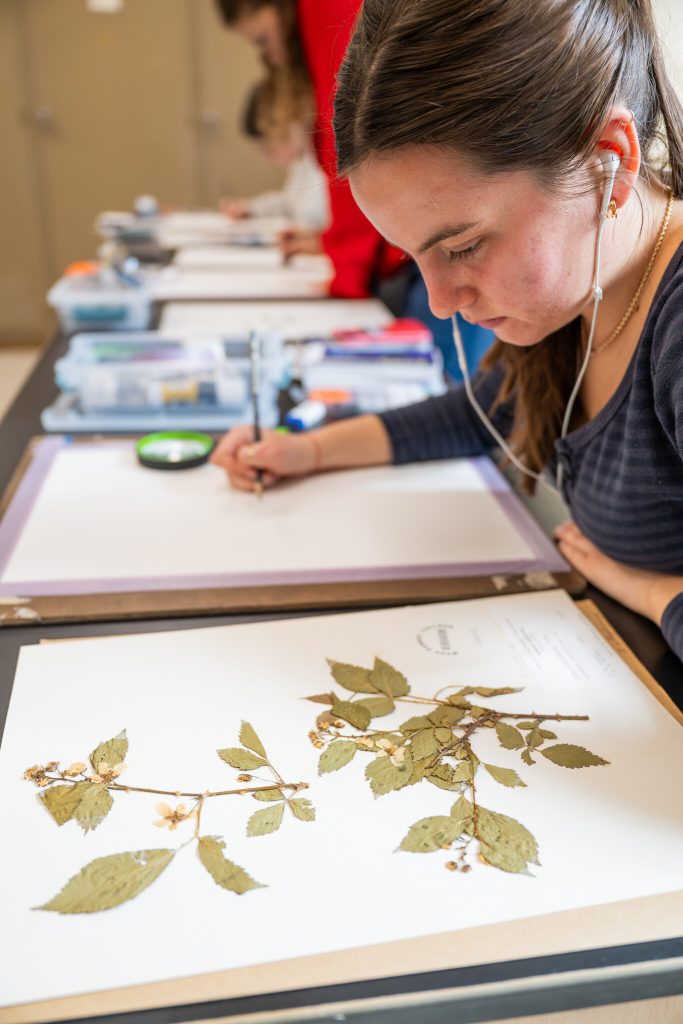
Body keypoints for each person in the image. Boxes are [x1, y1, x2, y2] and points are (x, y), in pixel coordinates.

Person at [212, 0, 683, 664]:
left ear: (608, 159)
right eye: (412, 257)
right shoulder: (580, 289)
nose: (439, 302)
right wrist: (310, 451)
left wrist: (650, 592)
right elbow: (483, 410)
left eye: (461, 247)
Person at [214, 0, 493, 378]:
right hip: (423, 235)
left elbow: (351, 146)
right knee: (435, 382)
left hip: (434, 231)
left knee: (445, 385)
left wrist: (347, 268)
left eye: (263, 39)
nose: (272, 56)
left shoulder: (323, 11)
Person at [221, 81, 329, 232]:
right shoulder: (303, 160)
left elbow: (319, 217)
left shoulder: (327, 156)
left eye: (269, 146)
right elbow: (290, 203)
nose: (267, 157)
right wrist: (251, 209)